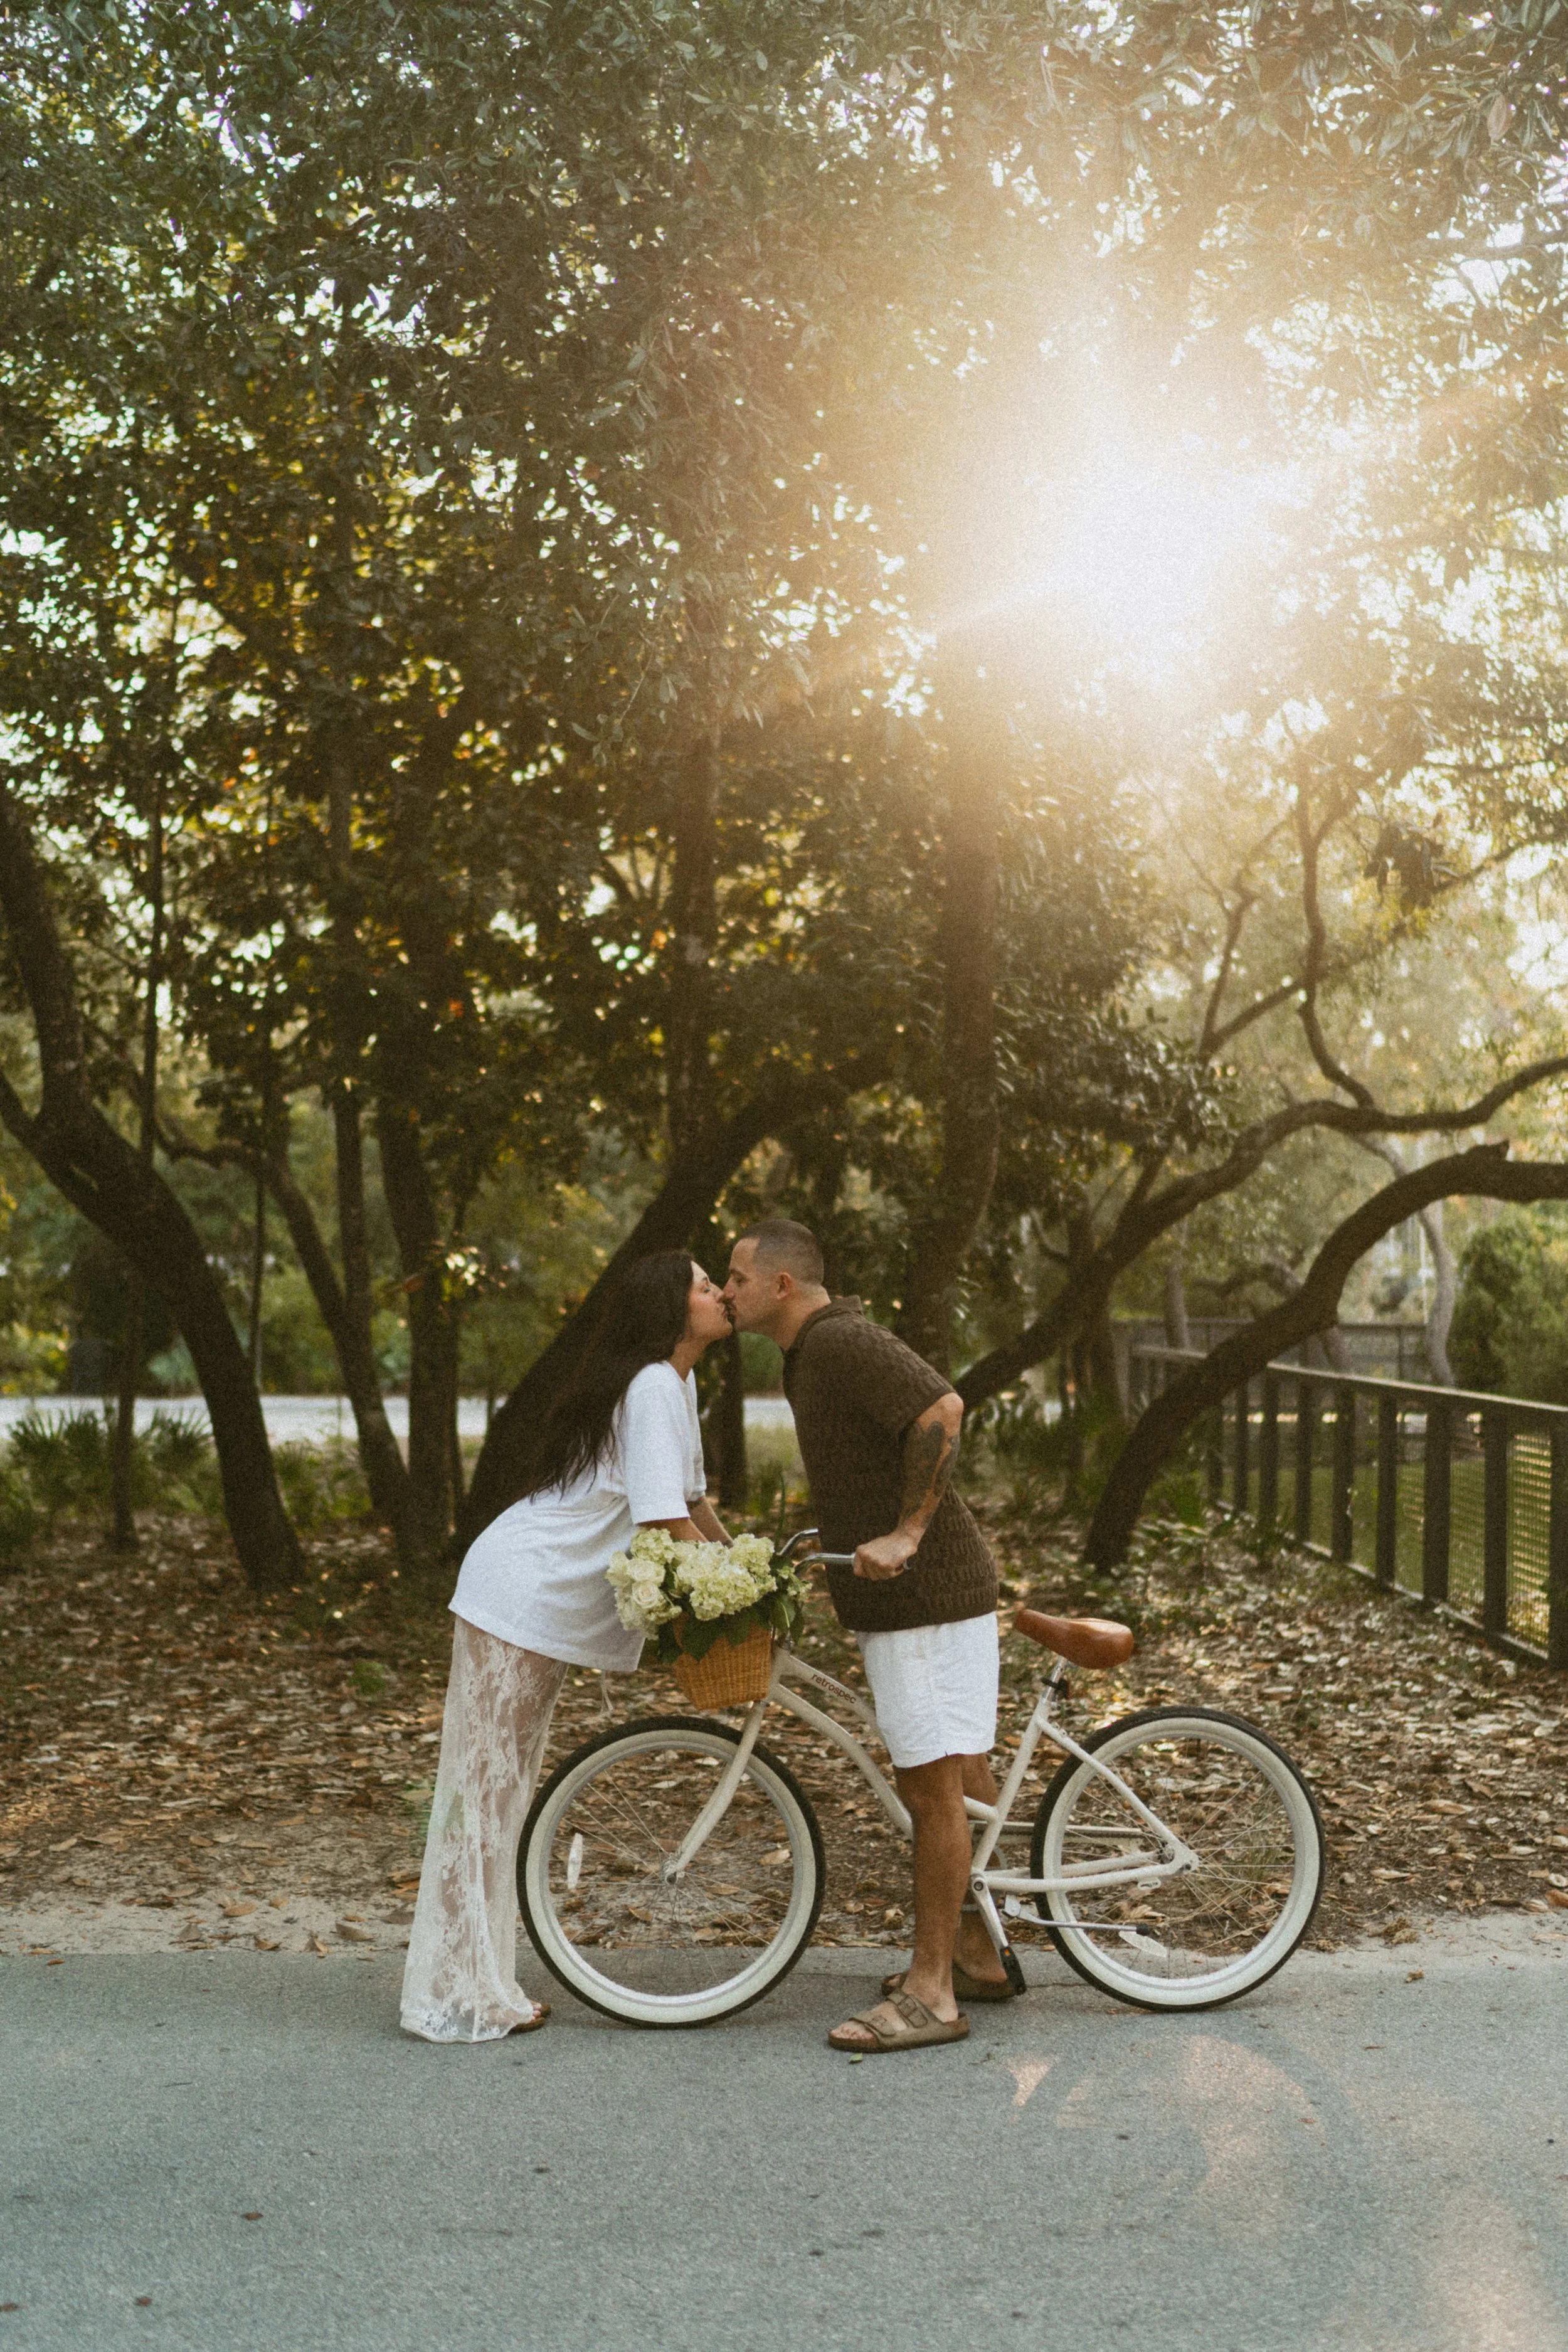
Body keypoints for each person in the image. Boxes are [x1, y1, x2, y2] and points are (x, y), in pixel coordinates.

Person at [399, 1251, 734, 2043]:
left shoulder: (676, 1384)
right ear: (671, 1309)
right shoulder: (652, 1385)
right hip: (518, 1591)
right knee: (482, 1793)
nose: (720, 1292)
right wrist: (733, 1586)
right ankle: (456, 1992)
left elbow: (692, 1505)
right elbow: (662, 1520)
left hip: (533, 1597)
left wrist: (747, 1569)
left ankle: (478, 1979)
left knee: (501, 1792)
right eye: (702, 1285)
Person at [723, 1218, 1012, 2055]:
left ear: (782, 1284)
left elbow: (942, 1406)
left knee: (932, 1792)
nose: (727, 1291)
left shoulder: (840, 1340)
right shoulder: (809, 1353)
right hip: (922, 1596)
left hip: (923, 1595)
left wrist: (908, 1532)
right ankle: (978, 1954)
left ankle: (933, 1994)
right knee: (958, 1776)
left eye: (737, 1278)